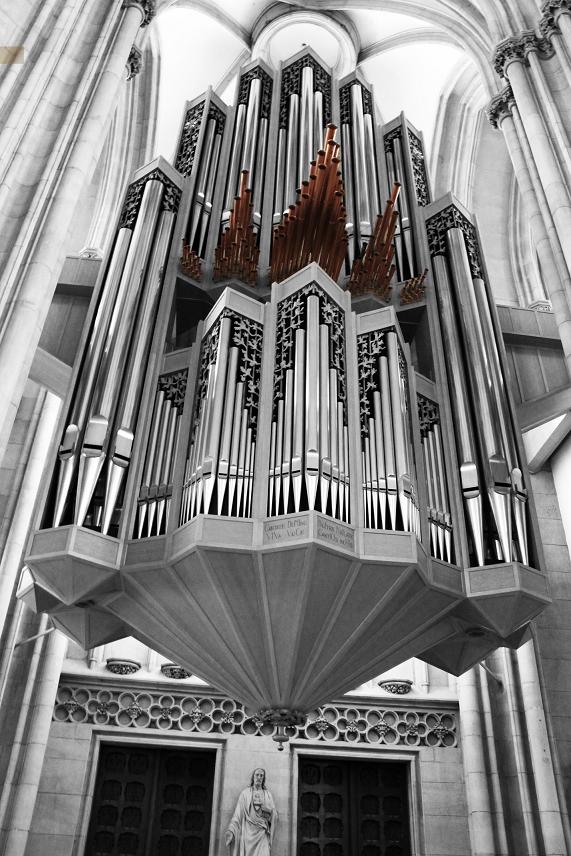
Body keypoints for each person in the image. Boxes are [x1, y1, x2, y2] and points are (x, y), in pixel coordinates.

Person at [225, 767, 278, 855]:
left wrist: (269, 811)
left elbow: (274, 815)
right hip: (248, 833)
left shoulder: (268, 795)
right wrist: (231, 830)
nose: (259, 777)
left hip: (262, 832)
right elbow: (238, 814)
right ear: (253, 777)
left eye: (261, 776)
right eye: (257, 775)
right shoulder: (245, 794)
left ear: (263, 779)